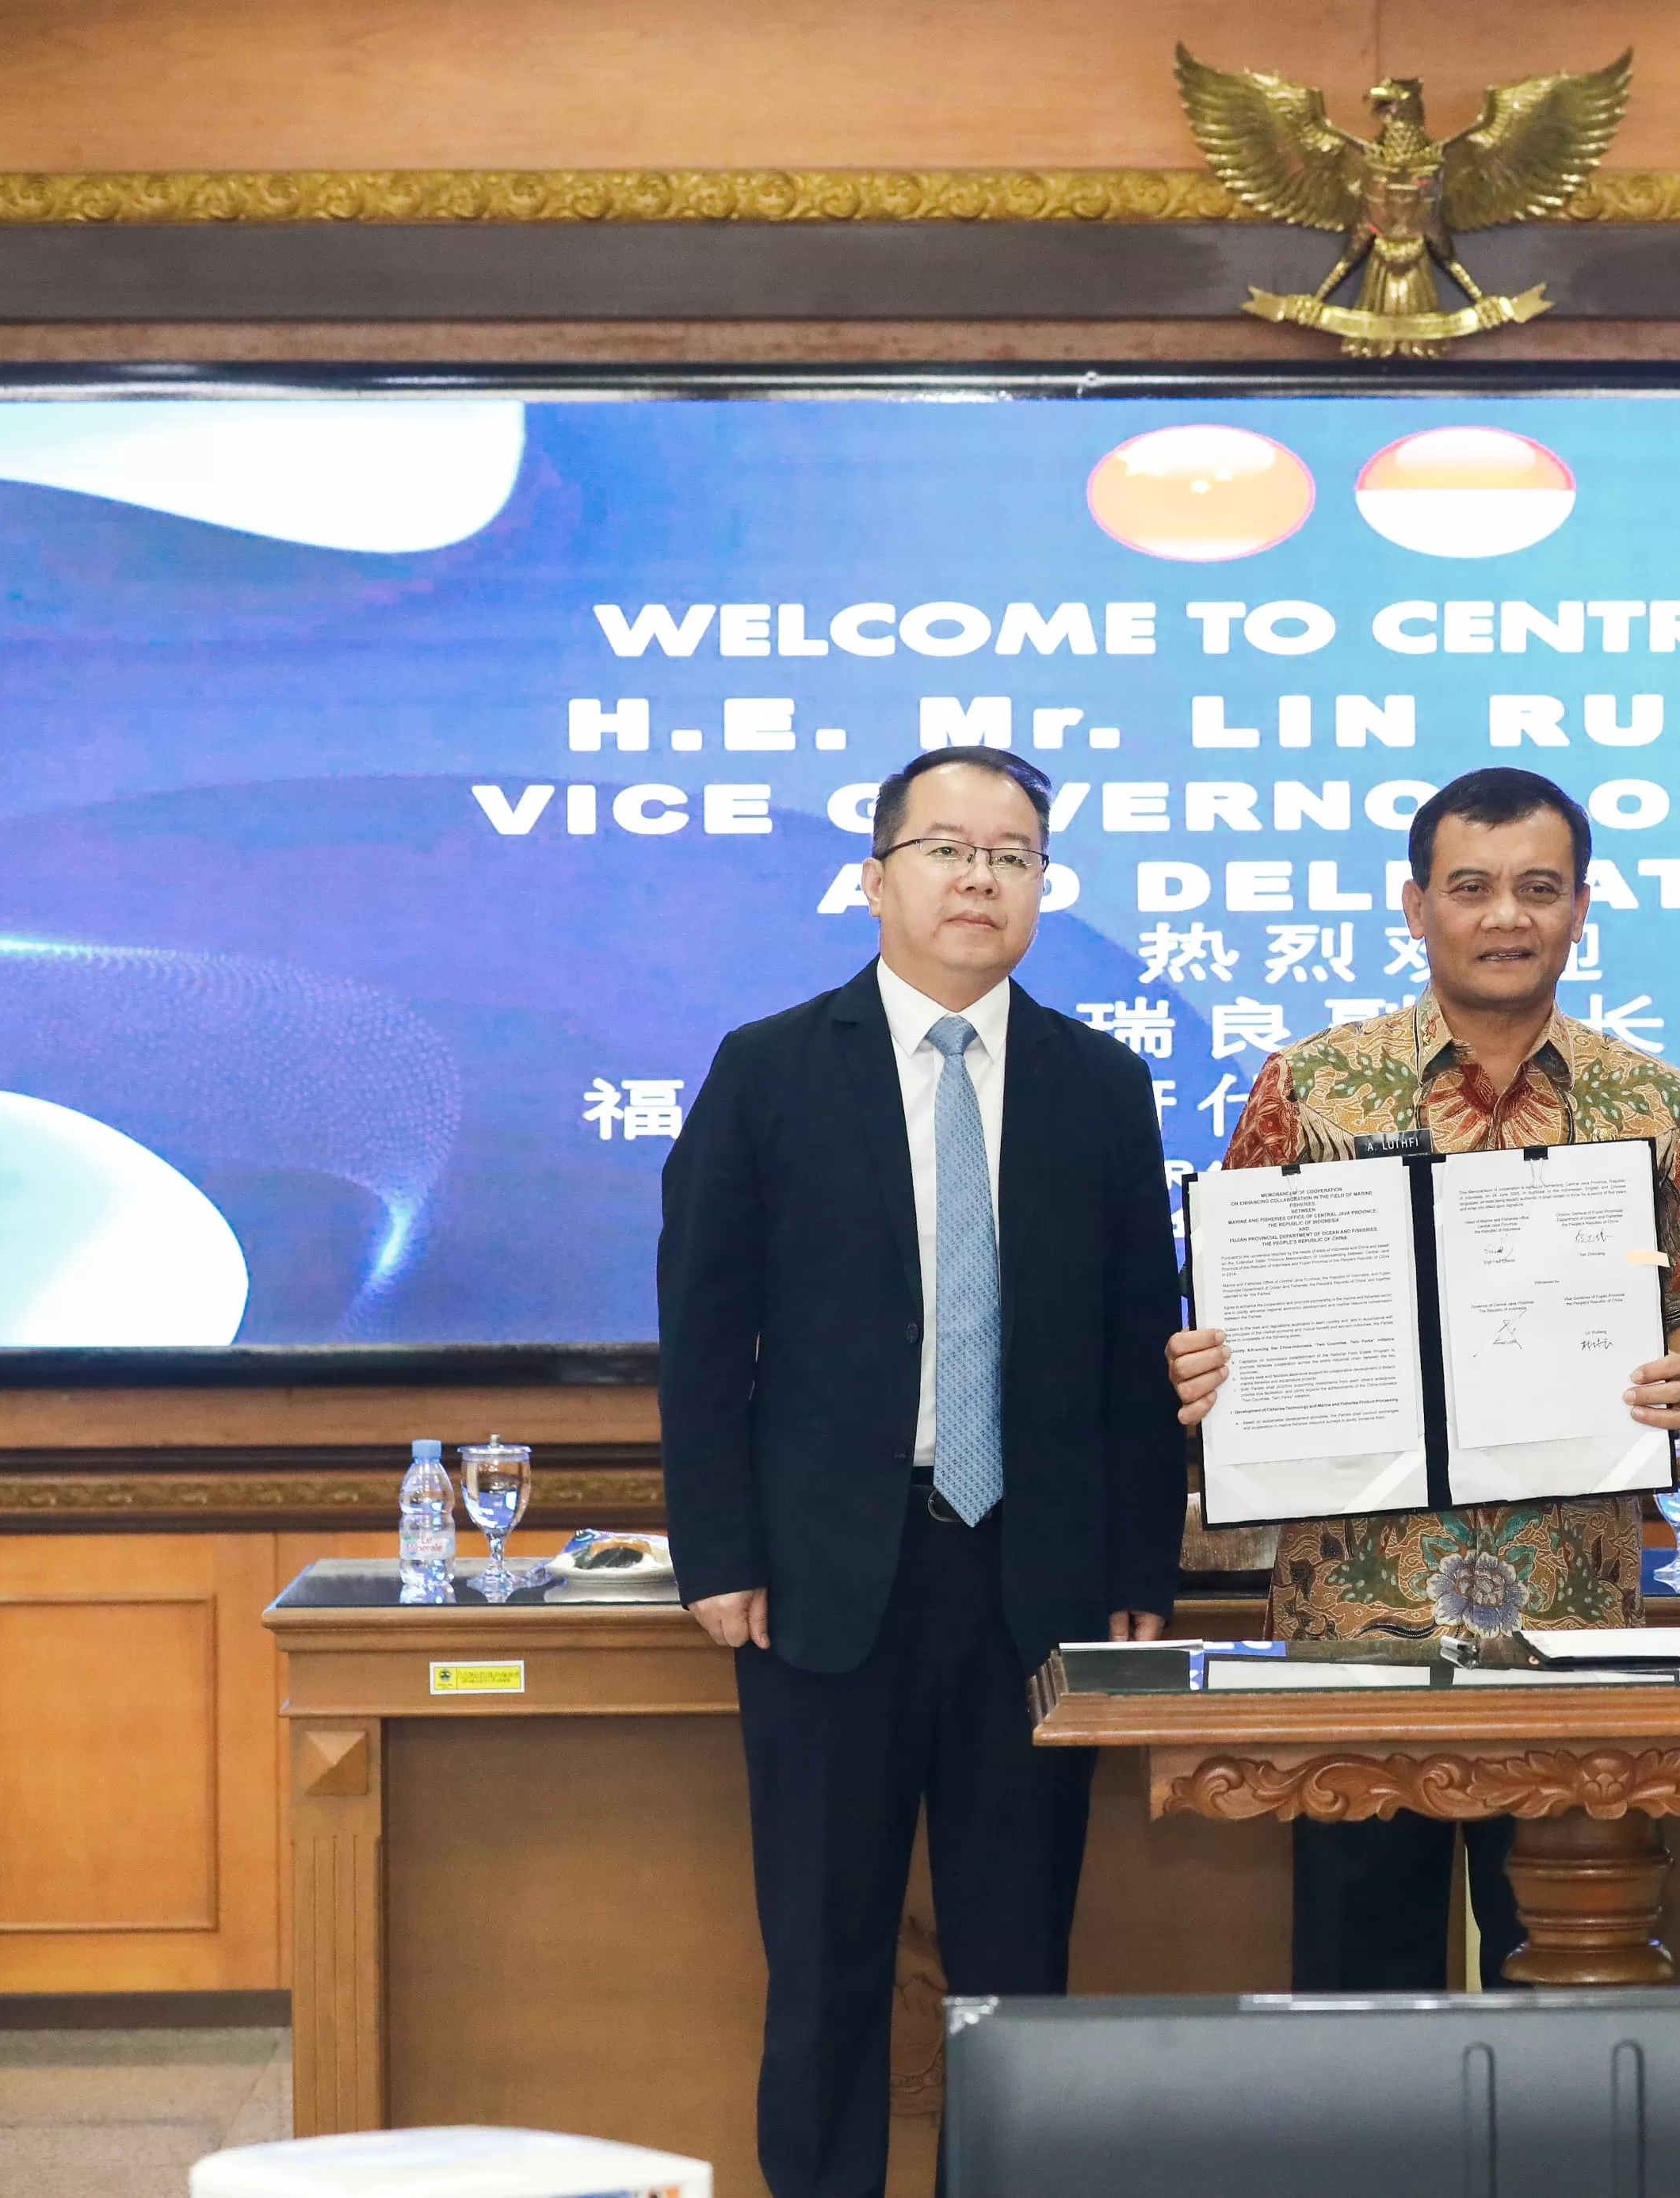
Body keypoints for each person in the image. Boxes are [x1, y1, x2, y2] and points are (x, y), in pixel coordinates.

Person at [659, 744, 1186, 2198]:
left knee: (1018, 1968)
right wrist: (720, 1553)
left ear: (1042, 889)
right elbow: (704, 1335)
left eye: (1013, 857)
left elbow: (1136, 1340)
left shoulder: (1097, 1082)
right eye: (948, 850)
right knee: (825, 1959)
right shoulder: (770, 1070)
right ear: (876, 875)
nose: (980, 880)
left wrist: (1140, 1566)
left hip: (1037, 1582)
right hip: (827, 1581)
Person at [1164, 766, 1680, 1990]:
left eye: (1539, 890)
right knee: (1356, 1976)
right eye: (1471, 888)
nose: (1506, 917)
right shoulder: (1310, 1087)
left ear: (1581, 908)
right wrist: (1215, 1367)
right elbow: (1233, 1312)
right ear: (1415, 905)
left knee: (1578, 1964)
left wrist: (1679, 1381)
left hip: (1573, 1601)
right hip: (1356, 1614)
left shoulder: (1649, 1097)